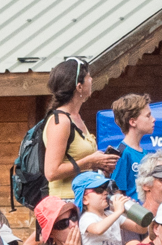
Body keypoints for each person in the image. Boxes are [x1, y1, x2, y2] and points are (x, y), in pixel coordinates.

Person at [40, 57, 113, 201]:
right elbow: (51, 172)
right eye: (88, 77)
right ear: (79, 87)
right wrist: (90, 161)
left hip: (84, 199)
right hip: (66, 203)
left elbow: (79, 163)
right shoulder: (60, 121)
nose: (92, 80)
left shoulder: (76, 117)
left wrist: (99, 165)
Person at [111, 94, 156, 200]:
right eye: (148, 116)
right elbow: (117, 193)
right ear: (132, 122)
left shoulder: (145, 153)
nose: (153, 119)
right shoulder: (122, 153)